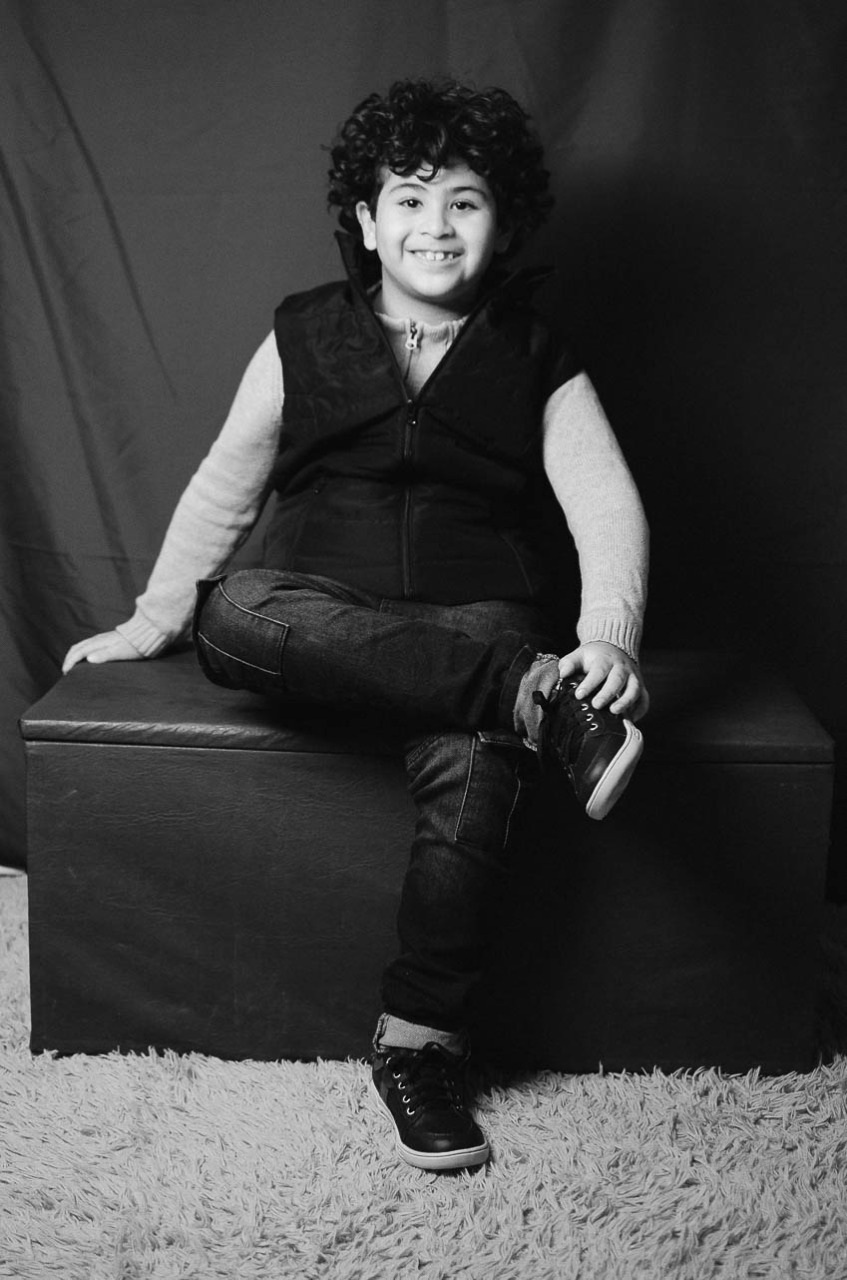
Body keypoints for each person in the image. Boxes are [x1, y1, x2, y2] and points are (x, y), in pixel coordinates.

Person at [63, 79, 649, 1173]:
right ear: (368, 224)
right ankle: (531, 696)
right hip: (314, 610)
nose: (437, 225)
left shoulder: (535, 351)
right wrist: (151, 620)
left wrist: (607, 637)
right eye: (410, 200)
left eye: (465, 201)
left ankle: (419, 1046)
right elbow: (224, 484)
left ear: (503, 224)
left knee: (477, 766)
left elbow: (604, 502)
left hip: (481, 607)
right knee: (232, 610)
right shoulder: (303, 332)